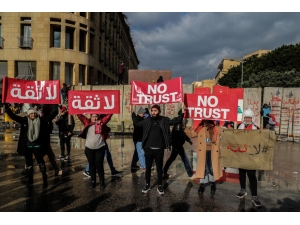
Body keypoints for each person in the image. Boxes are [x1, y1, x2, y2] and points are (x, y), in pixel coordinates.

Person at [131, 104, 185, 195]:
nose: (153, 112)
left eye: (155, 111)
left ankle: (160, 186)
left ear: (159, 111)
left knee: (159, 169)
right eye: (152, 111)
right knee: (148, 168)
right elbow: (137, 123)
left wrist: (182, 111)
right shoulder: (147, 120)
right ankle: (147, 185)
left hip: (159, 149)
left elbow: (177, 120)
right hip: (148, 148)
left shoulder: (164, 120)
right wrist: (132, 112)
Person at [5, 104, 50, 187]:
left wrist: (56, 108)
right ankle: (30, 179)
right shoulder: (24, 121)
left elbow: (49, 117)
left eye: (34, 113)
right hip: (27, 146)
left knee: (40, 162)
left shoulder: (40, 121)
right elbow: (14, 117)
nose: (33, 115)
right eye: (31, 113)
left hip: (37, 145)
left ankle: (44, 178)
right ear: (29, 114)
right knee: (29, 163)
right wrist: (7, 108)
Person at [77, 113, 113, 189]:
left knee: (99, 165)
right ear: (90, 117)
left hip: (99, 148)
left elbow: (108, 116)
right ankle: (93, 182)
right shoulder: (87, 122)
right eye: (93, 116)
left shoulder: (101, 122)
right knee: (92, 165)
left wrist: (112, 109)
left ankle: (102, 182)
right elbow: (80, 115)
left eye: (96, 116)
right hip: (89, 148)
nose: (94, 118)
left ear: (98, 116)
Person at [237, 108, 262, 207]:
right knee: (242, 173)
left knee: (252, 176)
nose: (247, 119)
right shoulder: (240, 127)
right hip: (242, 154)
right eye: (246, 117)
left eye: (249, 118)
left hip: (251, 156)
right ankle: (243, 190)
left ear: (252, 118)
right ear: (244, 118)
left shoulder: (255, 128)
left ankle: (255, 196)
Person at [192, 120, 223, 194]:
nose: (206, 124)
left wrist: (233, 128)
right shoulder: (201, 128)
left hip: (213, 152)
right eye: (205, 122)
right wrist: (184, 126)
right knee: (204, 168)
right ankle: (202, 184)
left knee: (211, 168)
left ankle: (212, 183)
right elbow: (192, 134)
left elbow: (226, 133)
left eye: (207, 122)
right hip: (203, 152)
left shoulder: (216, 128)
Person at [40, 105, 62, 176]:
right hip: (43, 141)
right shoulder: (45, 119)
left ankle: (55, 170)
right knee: (48, 156)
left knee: (50, 156)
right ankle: (53, 170)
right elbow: (52, 115)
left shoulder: (44, 119)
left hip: (45, 141)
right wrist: (56, 108)